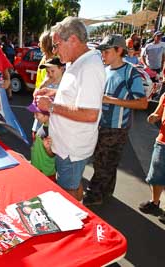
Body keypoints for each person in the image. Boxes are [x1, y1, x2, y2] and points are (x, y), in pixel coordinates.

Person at [36, 17, 106, 201]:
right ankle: (80, 211)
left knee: (68, 192)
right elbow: (74, 97)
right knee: (73, 185)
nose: (54, 50)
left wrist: (51, 106)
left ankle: (76, 223)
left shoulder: (89, 67)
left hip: (71, 149)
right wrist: (53, 93)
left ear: (73, 39)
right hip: (67, 146)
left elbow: (90, 113)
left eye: (56, 45)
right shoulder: (75, 62)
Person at [83, 34, 148, 206]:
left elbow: (142, 103)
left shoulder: (130, 72)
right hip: (101, 124)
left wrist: (111, 100)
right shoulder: (104, 70)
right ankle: (107, 191)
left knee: (103, 161)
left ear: (119, 50)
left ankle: (93, 195)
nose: (103, 55)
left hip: (117, 128)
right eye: (102, 51)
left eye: (106, 51)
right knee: (105, 160)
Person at [138, 93, 165, 223]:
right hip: (162, 142)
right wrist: (152, 118)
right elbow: (157, 114)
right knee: (156, 175)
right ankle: (154, 203)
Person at [31, 57, 65, 141]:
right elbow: (35, 99)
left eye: (52, 71)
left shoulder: (65, 85)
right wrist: (44, 84)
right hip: (39, 123)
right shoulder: (46, 83)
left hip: (54, 126)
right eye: (47, 72)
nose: (50, 74)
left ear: (61, 69)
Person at [27, 100, 55, 181]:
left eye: (37, 114)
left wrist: (48, 149)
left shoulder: (51, 131)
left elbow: (53, 154)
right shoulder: (44, 125)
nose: (34, 116)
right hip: (38, 169)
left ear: (47, 115)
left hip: (45, 173)